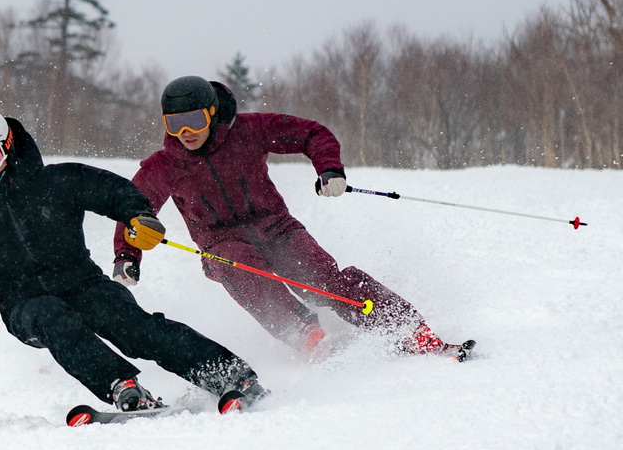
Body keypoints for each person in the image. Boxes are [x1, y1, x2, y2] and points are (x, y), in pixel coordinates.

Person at [0, 106, 269, 415]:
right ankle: (122, 386)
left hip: (84, 284)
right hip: (23, 305)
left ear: (8, 146)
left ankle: (230, 374)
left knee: (135, 328)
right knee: (52, 318)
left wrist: (137, 216)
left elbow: (115, 192)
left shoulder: (58, 181)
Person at [112, 76, 472, 359]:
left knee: (322, 280)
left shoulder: (250, 131)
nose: (185, 132)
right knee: (240, 266)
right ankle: (308, 337)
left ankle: (408, 328)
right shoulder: (165, 165)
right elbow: (132, 208)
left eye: (193, 120)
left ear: (211, 113)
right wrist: (127, 256)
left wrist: (329, 168)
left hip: (276, 228)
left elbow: (312, 133)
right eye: (174, 124)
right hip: (221, 244)